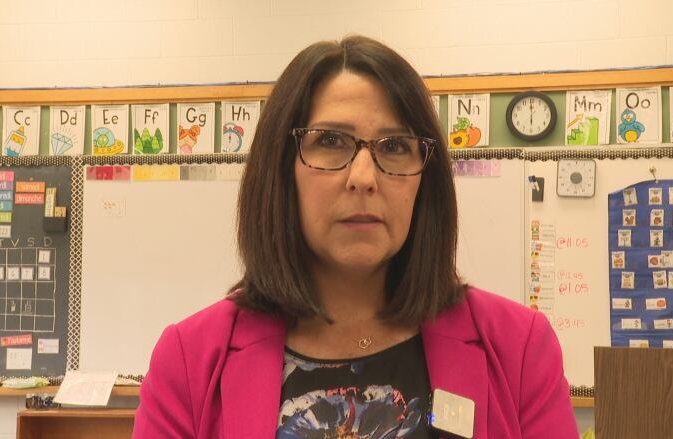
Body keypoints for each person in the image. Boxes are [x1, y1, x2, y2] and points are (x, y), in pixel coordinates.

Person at [133, 35, 578, 438]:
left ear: (426, 182)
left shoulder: (518, 348)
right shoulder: (190, 361)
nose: (363, 177)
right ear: (281, 169)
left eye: (395, 146)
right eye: (330, 140)